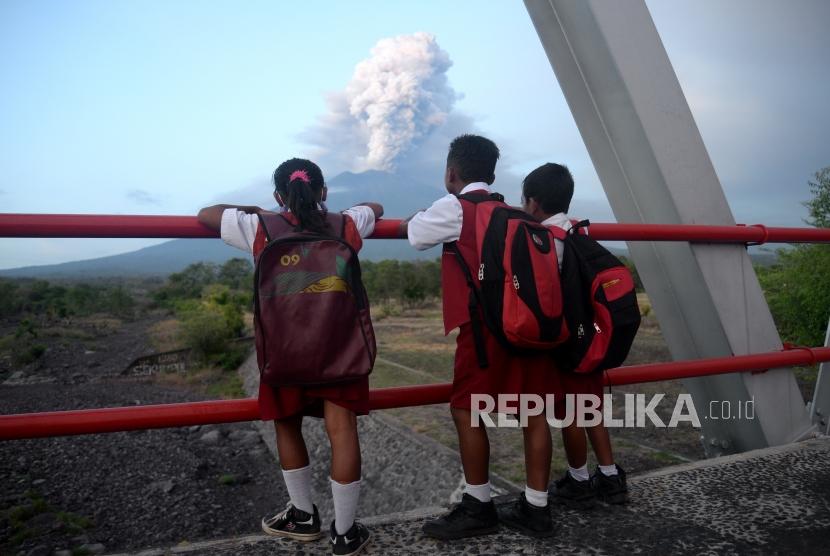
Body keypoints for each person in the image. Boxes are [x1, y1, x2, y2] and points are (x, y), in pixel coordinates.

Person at [197, 158, 383, 556]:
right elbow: (377, 208)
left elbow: (205, 214)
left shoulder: (260, 227)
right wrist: (336, 209)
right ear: (324, 192)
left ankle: (302, 515)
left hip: (284, 350)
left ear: (279, 195)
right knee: (342, 430)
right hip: (340, 346)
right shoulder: (346, 224)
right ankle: (346, 533)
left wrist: (256, 211)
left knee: (287, 425)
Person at [402, 135, 559, 539]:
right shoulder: (520, 215)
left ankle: (478, 504)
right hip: (530, 326)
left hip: (484, 331)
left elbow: (416, 235)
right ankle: (536, 508)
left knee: (466, 410)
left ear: (451, 174)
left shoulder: (455, 207)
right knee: (534, 411)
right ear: (492, 173)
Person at [520, 162, 628, 507]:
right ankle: (610, 477)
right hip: (593, 338)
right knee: (591, 410)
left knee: (570, 414)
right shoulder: (579, 232)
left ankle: (579, 479)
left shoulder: (545, 240)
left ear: (533, 203)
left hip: (567, 343)